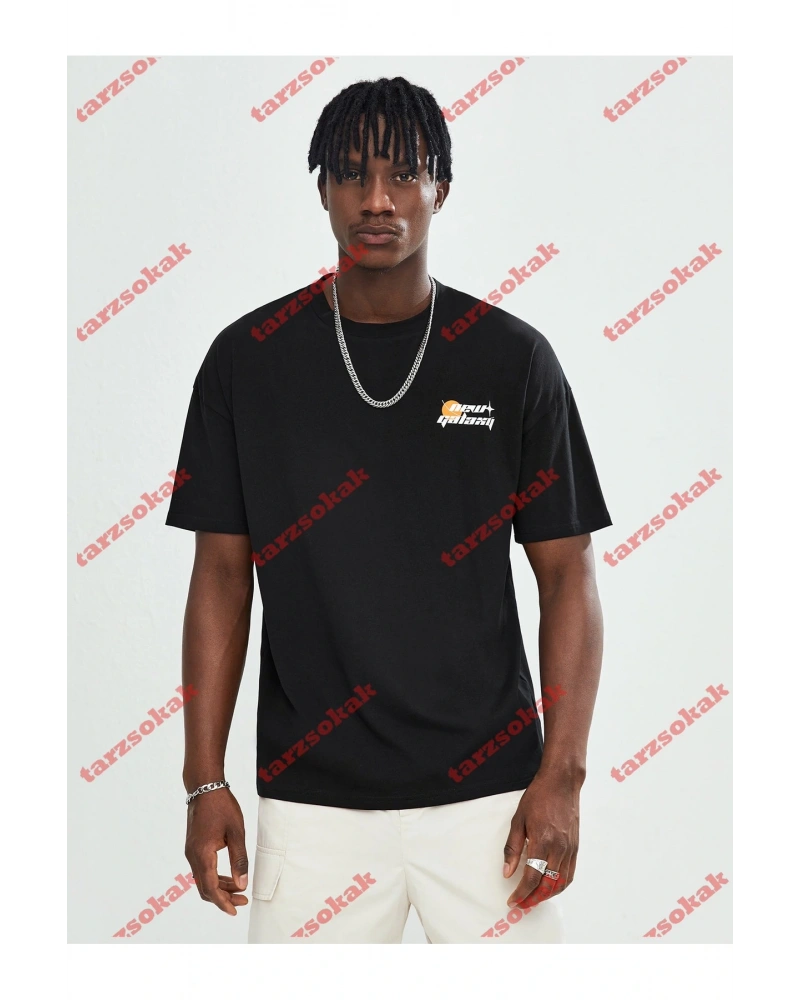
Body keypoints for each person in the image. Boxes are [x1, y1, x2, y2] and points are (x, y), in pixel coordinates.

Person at [166, 75, 612, 944]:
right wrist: (203, 779)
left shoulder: (511, 360)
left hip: (492, 804)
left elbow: (568, 577)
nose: (378, 199)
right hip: (312, 808)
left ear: (441, 187)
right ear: (323, 189)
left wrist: (562, 775)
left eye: (404, 174)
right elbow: (220, 576)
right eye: (352, 174)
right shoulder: (247, 361)